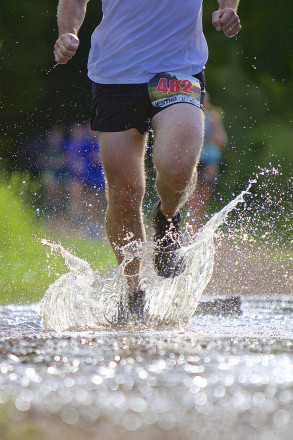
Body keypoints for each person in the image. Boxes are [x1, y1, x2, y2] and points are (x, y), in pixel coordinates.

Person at [53, 0, 242, 321]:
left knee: (179, 168)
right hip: (116, 74)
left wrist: (228, 7)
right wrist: (67, 32)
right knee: (125, 194)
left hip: (179, 65)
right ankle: (134, 293)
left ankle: (167, 217)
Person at [186, 92, 228, 232]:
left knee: (202, 198)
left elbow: (222, 142)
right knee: (192, 197)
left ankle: (194, 227)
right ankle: (190, 226)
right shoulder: (189, 117)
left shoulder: (212, 119)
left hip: (209, 161)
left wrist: (207, 132)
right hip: (194, 161)